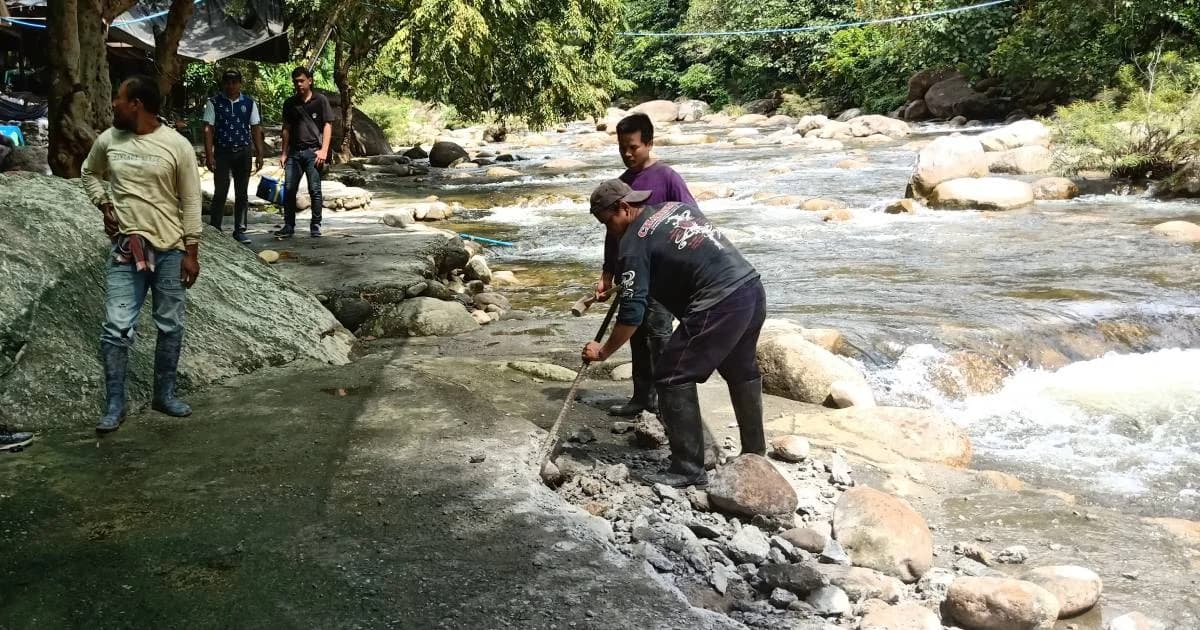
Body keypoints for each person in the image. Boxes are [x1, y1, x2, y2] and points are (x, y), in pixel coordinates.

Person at [583, 180, 767, 488]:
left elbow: (632, 316)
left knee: (671, 376)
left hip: (718, 303)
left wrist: (603, 352)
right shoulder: (673, 208)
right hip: (749, 287)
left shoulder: (633, 245)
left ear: (624, 208)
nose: (609, 231)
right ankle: (755, 453)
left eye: (607, 222)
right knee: (741, 369)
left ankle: (687, 468)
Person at [82, 75, 202, 433]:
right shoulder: (109, 140)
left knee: (170, 323)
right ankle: (114, 405)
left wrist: (191, 251)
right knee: (116, 326)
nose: (113, 104)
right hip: (126, 249)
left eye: (119, 98)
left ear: (136, 104)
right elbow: (89, 173)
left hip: (170, 251)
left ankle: (164, 395)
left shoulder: (177, 145)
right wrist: (104, 203)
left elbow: (191, 200)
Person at [598, 113, 697, 418]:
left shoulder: (667, 178)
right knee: (636, 335)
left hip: (661, 275)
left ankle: (670, 404)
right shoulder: (622, 185)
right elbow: (613, 233)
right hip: (632, 272)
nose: (627, 154)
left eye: (633, 147)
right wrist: (607, 273)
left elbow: (691, 218)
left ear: (649, 143)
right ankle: (642, 397)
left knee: (659, 335)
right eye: (622, 148)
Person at [203, 69, 264, 244]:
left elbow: (255, 128)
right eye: (227, 82)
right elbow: (208, 129)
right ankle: (215, 228)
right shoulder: (214, 103)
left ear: (240, 84)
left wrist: (259, 153)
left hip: (243, 152)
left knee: (242, 193)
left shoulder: (249, 103)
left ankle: (240, 230)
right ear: (223, 84)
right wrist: (209, 155)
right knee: (220, 192)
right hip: (222, 152)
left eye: (234, 82)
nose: (231, 86)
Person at [276, 66, 334, 238]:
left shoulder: (320, 100)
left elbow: (328, 125)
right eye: (296, 82)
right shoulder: (290, 103)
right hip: (294, 152)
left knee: (314, 190)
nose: (299, 84)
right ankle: (288, 225)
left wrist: (324, 150)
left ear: (310, 80)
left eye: (302, 81)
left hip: (313, 152)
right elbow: (286, 128)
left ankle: (315, 225)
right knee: (289, 189)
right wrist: (284, 153)